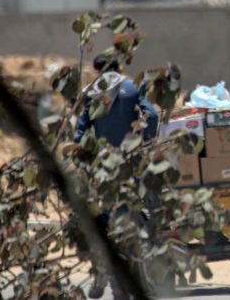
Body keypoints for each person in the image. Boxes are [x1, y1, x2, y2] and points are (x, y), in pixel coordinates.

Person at [74, 55, 158, 300]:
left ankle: (107, 279)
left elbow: (80, 133)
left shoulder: (93, 93)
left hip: (102, 171)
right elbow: (151, 116)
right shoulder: (134, 88)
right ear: (121, 68)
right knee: (137, 220)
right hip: (132, 168)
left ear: (98, 71)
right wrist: (146, 141)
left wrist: (84, 159)